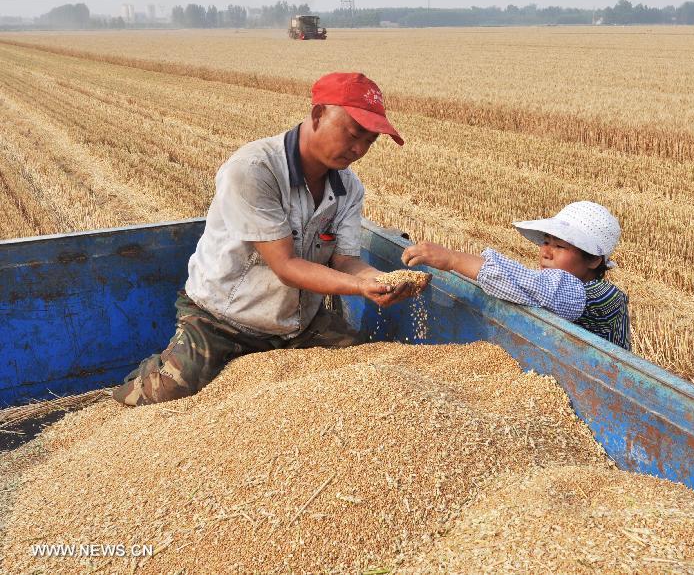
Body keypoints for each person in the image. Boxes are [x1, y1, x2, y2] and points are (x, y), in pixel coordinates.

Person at [113, 72, 425, 407]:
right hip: (223, 319)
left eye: (370, 141)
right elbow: (285, 266)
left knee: (368, 374)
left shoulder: (348, 187)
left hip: (299, 322)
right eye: (353, 133)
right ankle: (145, 377)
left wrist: (379, 280)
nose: (359, 149)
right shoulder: (254, 170)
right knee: (168, 393)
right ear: (318, 114)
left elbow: (346, 261)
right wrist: (361, 288)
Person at [401, 201, 631, 350]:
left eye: (560, 247)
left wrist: (453, 259)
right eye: (546, 242)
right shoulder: (560, 285)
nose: (545, 252)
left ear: (593, 259)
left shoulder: (606, 298)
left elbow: (541, 288)